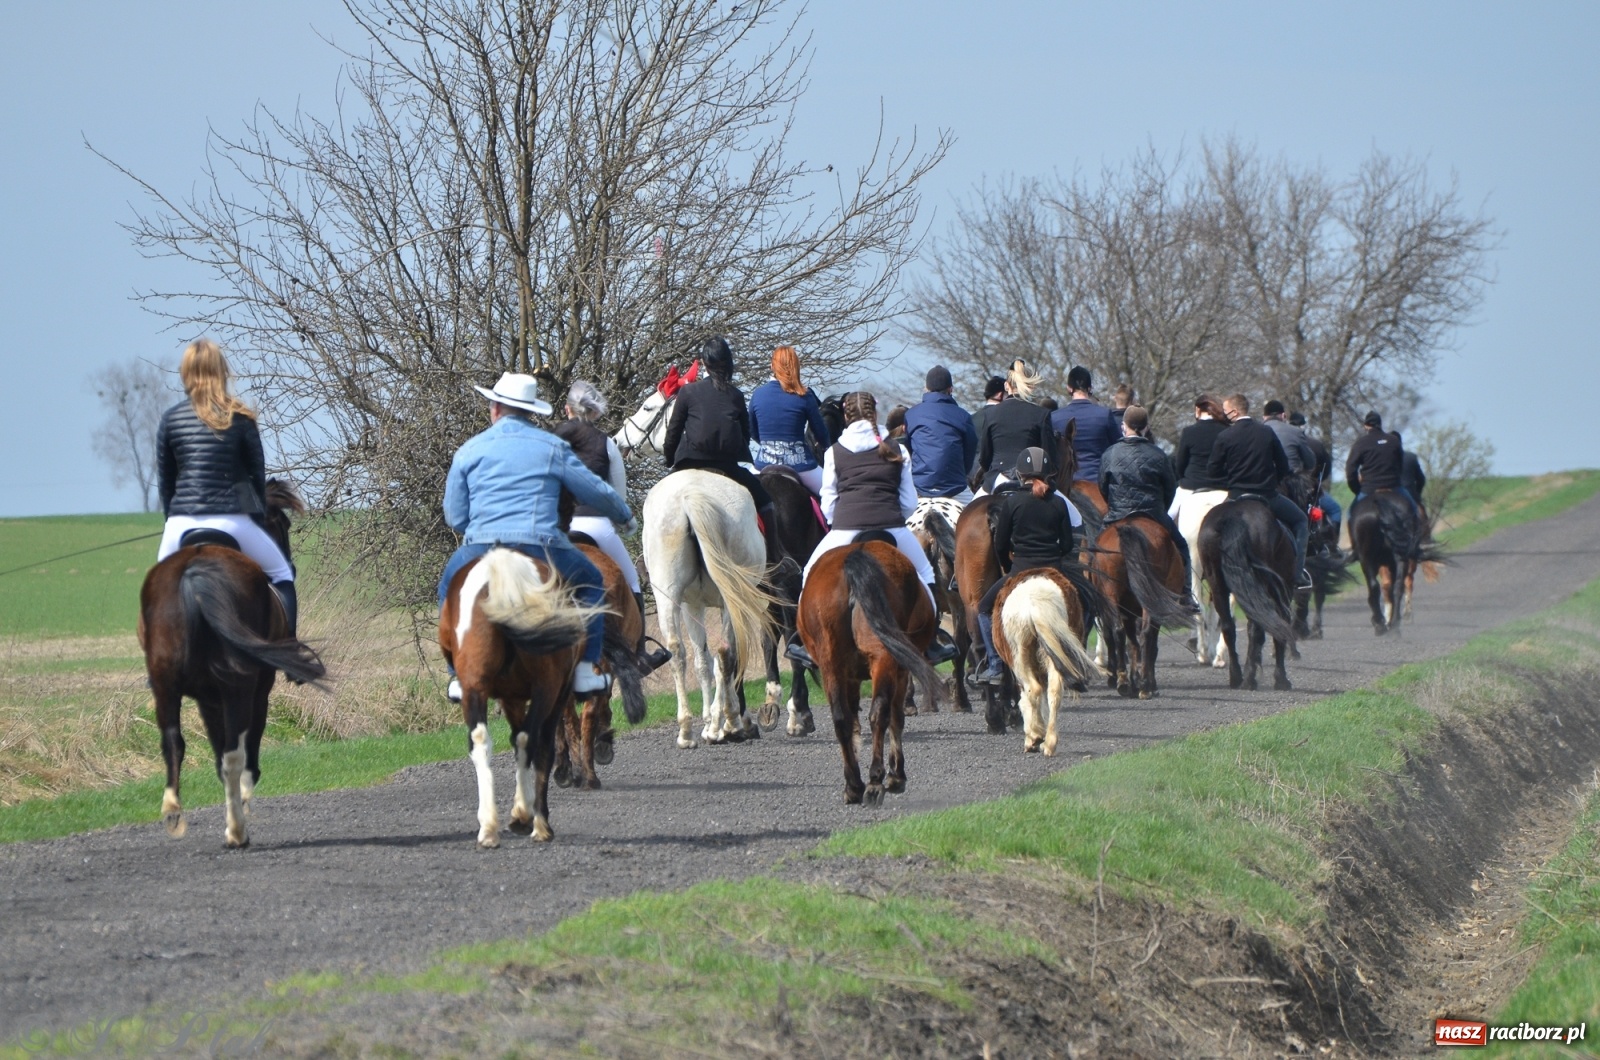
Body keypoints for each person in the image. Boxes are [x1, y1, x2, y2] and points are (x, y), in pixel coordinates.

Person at [438, 372, 632, 700]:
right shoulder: (552, 447)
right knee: (591, 580)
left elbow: (455, 516)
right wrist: (624, 515)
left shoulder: (469, 451)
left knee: (448, 585)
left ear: (495, 407)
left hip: (482, 545)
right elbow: (595, 490)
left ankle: (457, 673)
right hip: (542, 545)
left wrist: (481, 532)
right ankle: (586, 671)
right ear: (530, 411)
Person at [786, 391, 957, 667]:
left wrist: (842, 520)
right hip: (892, 528)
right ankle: (933, 640)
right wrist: (890, 516)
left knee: (808, 573)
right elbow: (909, 502)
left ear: (845, 416)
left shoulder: (834, 453)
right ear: (874, 415)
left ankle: (804, 641)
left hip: (845, 530)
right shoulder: (897, 449)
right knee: (926, 575)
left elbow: (829, 504)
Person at [155, 339, 300, 634]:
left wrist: (173, 521)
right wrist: (257, 520)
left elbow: (166, 483)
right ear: (222, 371)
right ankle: (291, 650)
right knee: (283, 574)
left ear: (185, 373)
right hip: (232, 521)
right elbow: (256, 479)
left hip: (181, 524)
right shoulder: (242, 418)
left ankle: (156, 666)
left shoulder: (170, 419)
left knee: (159, 588)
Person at [661, 336, 783, 566]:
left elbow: (673, 432)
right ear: (728, 362)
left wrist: (669, 459)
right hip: (726, 467)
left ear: (704, 363)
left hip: (688, 463)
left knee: (658, 500)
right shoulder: (735, 395)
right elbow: (745, 435)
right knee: (766, 503)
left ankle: (648, 559)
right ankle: (775, 558)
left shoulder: (688, 393)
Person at [971, 447, 1083, 684]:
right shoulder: (1058, 504)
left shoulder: (1012, 504)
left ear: (1020, 475)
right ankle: (1071, 662)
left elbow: (1001, 544)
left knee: (983, 608)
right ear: (1048, 474)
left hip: (1020, 570)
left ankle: (996, 665)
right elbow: (1067, 544)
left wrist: (1007, 566)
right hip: (1053, 573)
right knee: (1082, 605)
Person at [552, 379, 646, 620]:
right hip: (598, 526)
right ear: (593, 412)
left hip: (559, 529)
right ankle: (641, 651)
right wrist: (624, 526)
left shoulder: (553, 441)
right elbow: (618, 497)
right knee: (633, 582)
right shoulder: (607, 444)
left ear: (567, 409)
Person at [1206, 393, 1311, 589]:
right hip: (1267, 496)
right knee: (1301, 521)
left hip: (1236, 496)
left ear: (1235, 412)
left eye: (1226, 411)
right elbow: (1283, 466)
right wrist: (1272, 481)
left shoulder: (1225, 436)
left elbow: (1213, 471)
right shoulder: (1266, 433)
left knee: (1211, 528)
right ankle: (1298, 574)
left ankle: (1210, 573)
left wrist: (1230, 481)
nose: (1224, 415)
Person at [1100, 406, 1194, 598]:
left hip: (1118, 514)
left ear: (1123, 426)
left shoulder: (1109, 454)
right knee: (1182, 546)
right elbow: (1170, 489)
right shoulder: (1158, 454)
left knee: (1095, 549)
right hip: (1153, 514)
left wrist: (1115, 506)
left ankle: (1095, 597)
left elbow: (1103, 487)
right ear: (1147, 427)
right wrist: (1160, 511)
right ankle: (1186, 593)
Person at [747, 345, 832, 495]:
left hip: (763, 464)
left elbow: (752, 431)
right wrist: (825, 444)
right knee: (834, 493)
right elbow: (821, 433)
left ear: (772, 366)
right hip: (801, 466)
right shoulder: (804, 395)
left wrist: (770, 446)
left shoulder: (758, 394)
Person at [975, 359, 1055, 494]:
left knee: (968, 512)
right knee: (1074, 515)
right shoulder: (1041, 414)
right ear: (1030, 386)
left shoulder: (991, 414)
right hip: (1032, 480)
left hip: (997, 479)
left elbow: (984, 458)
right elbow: (1050, 456)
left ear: (1007, 386)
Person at [902, 365, 979, 502]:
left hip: (919, 486)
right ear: (951, 389)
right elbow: (969, 453)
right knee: (980, 516)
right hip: (954, 486)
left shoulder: (911, 415)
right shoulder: (963, 416)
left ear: (926, 388)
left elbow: (908, 450)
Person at [1050, 366, 1121, 485]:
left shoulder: (1054, 418)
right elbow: (1118, 449)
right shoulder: (1104, 415)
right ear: (1090, 388)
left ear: (1069, 388)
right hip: (1097, 481)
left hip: (1067, 483)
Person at [1346, 411, 1418, 513]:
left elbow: (1350, 470)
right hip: (1393, 487)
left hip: (1369, 489)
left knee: (1350, 514)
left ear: (1366, 426)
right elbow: (1400, 464)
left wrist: (1357, 490)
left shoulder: (1360, 443)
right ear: (1380, 424)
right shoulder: (1394, 440)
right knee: (1414, 509)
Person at [1291, 410, 1343, 553]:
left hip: (1287, 491)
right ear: (1303, 426)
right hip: (1312, 492)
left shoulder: (1284, 441)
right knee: (1335, 509)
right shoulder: (1315, 444)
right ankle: (1333, 546)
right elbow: (1327, 468)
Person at [1263, 399, 1316, 503]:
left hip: (1263, 483)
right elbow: (1310, 462)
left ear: (1264, 417)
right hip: (1291, 486)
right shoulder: (1296, 432)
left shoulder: (1256, 432)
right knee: (1302, 518)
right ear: (1283, 416)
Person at [968, 375, 1006, 480]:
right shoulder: (1005, 418)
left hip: (972, 473)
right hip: (998, 471)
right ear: (1000, 395)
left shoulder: (971, 419)